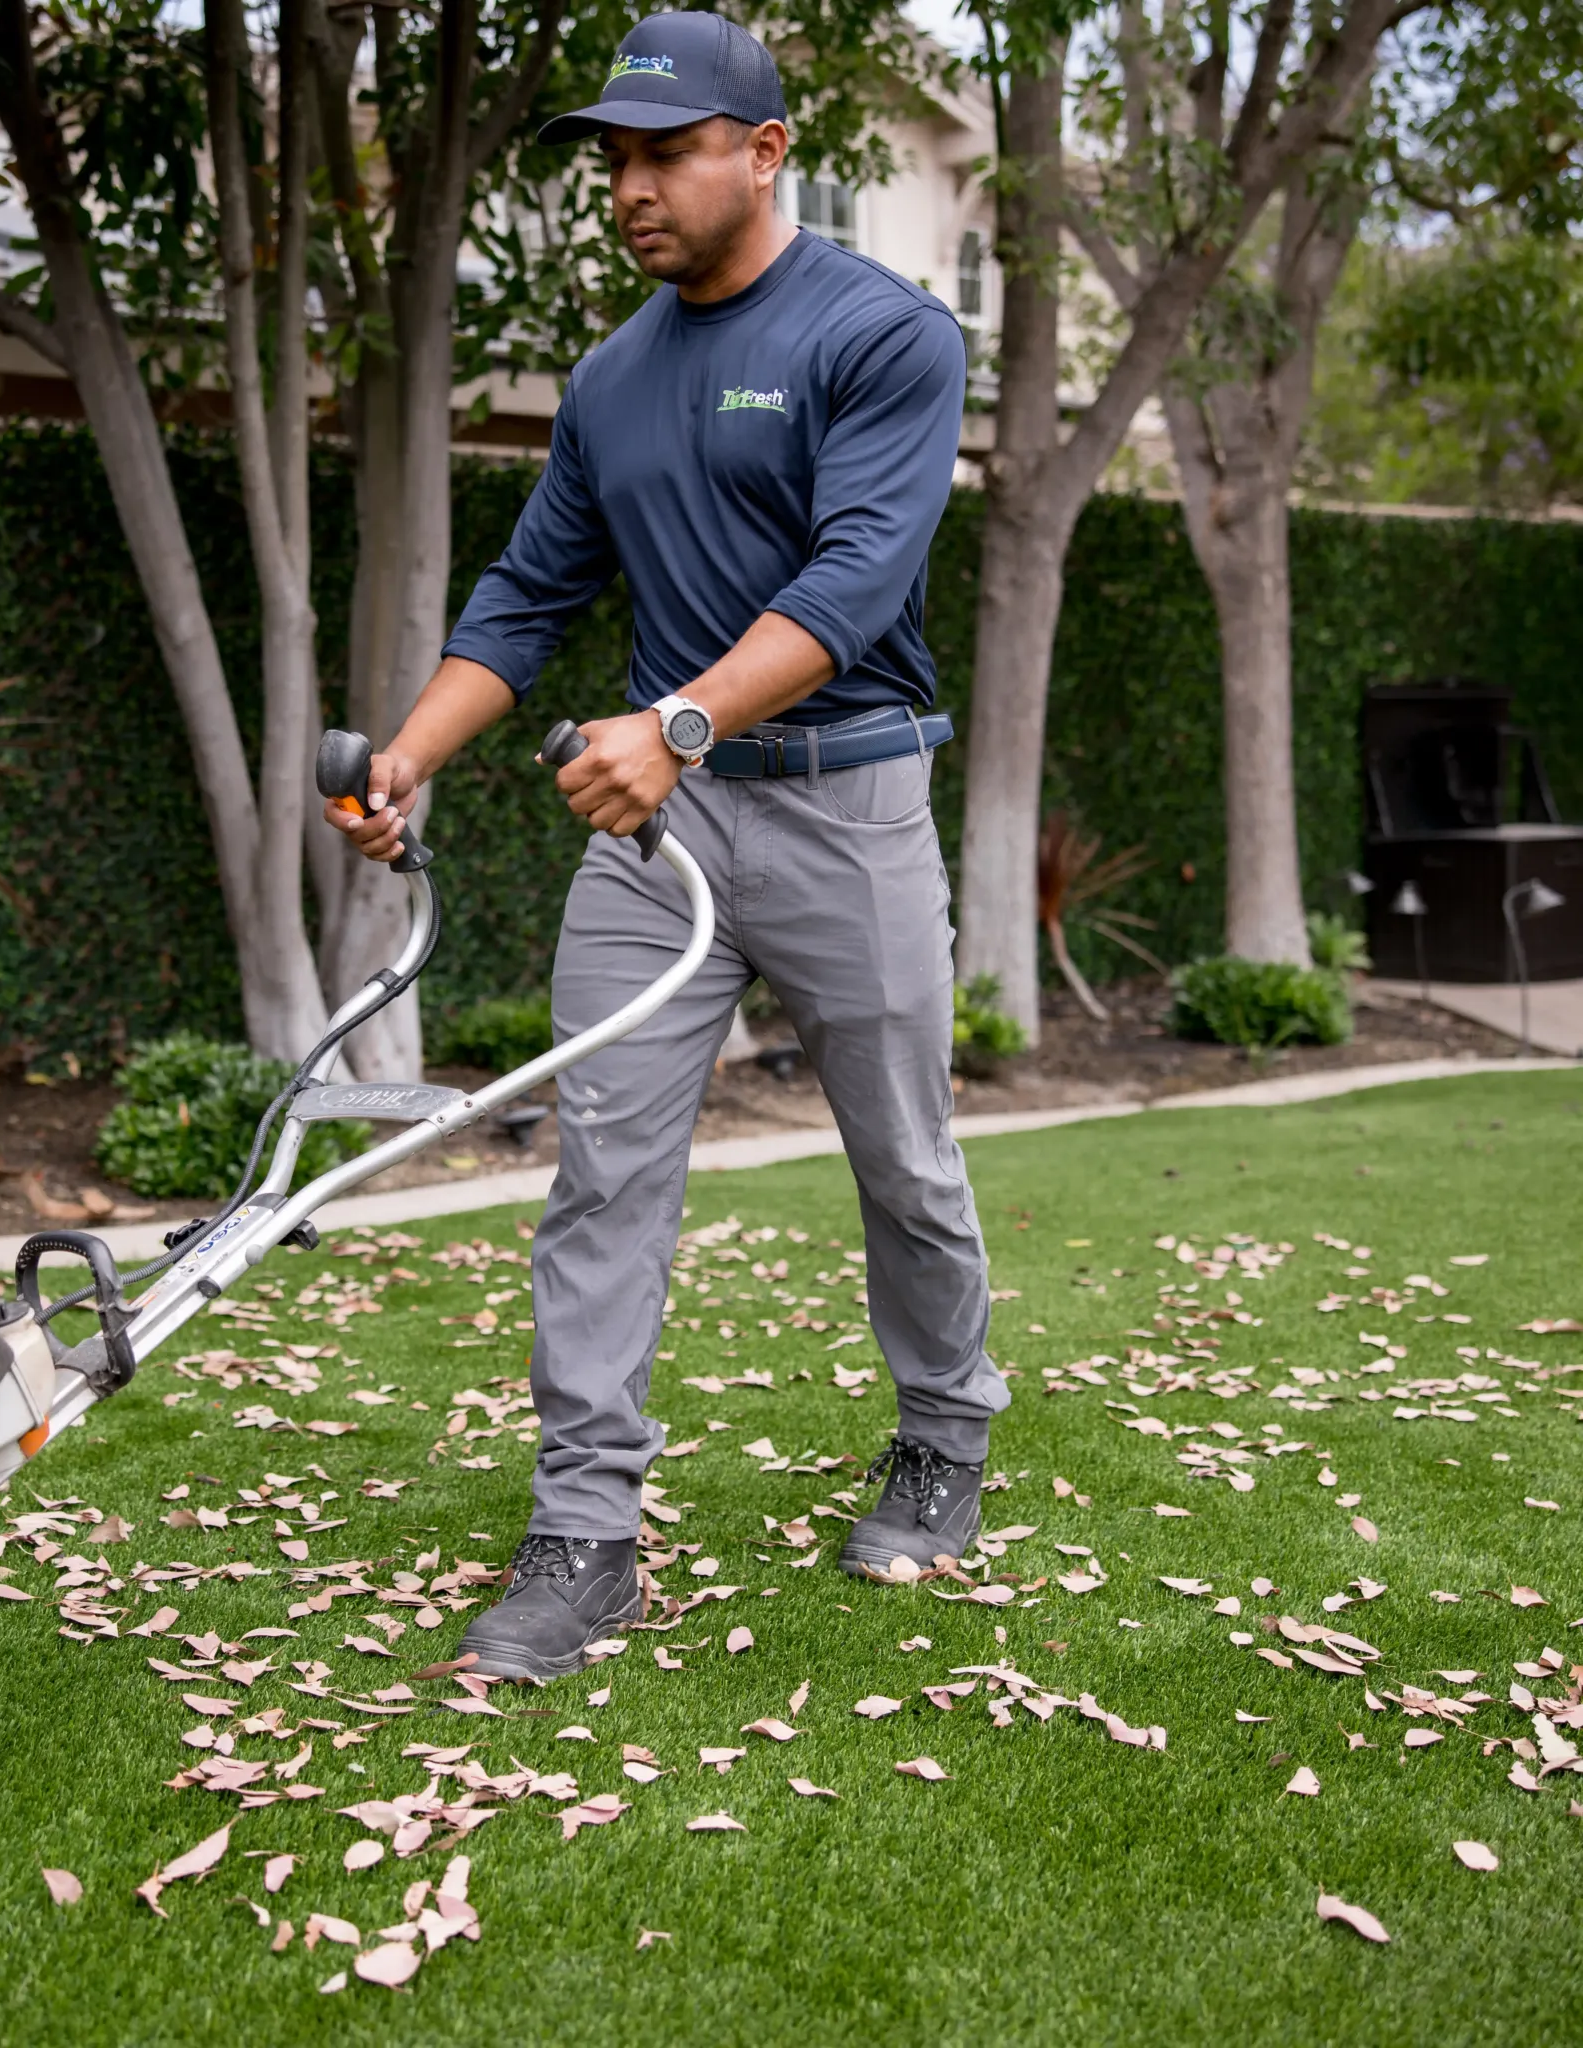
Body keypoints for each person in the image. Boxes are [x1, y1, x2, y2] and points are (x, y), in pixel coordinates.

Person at [324, 9, 1004, 1680]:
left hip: (844, 805)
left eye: (663, 152)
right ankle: (585, 1534)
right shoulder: (615, 379)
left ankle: (941, 1431)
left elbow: (854, 584)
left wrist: (677, 719)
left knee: (903, 1163)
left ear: (765, 152)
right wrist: (409, 753)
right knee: (605, 1169)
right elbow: (531, 594)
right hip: (663, 827)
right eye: (613, 158)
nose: (626, 187)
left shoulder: (885, 334)